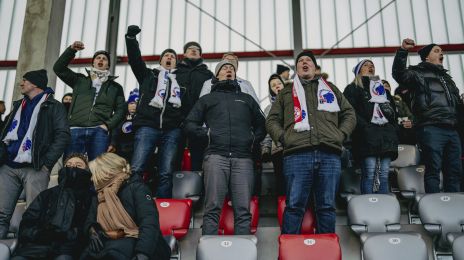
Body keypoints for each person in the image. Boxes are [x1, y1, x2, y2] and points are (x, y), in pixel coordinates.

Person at [266, 51, 356, 234]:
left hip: (329, 153)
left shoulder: (330, 88)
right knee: (294, 206)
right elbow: (271, 120)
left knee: (326, 207)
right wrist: (284, 138)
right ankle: (289, 254)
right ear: (296, 69)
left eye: (308, 60)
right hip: (296, 154)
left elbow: (349, 114)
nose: (304, 62)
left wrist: (341, 134)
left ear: (315, 68)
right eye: (300, 61)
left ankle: (327, 253)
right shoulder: (285, 92)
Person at [184, 60, 266, 235]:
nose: (229, 70)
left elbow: (262, 125)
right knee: (212, 207)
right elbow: (189, 124)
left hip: (243, 158)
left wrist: (252, 139)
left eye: (232, 68)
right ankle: (208, 251)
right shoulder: (207, 99)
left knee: (243, 210)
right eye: (224, 68)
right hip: (215, 156)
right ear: (217, 75)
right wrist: (207, 134)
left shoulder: (247, 99)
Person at [0, 69, 70, 238]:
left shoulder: (54, 106)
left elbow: (63, 135)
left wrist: (46, 163)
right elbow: (4, 132)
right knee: (1, 214)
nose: (21, 83)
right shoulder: (18, 105)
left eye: (24, 80)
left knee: (35, 214)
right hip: (8, 166)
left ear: (35, 84)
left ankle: (26, 250)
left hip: (36, 167)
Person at [392, 39, 463, 193]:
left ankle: (455, 210)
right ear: (426, 57)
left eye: (441, 51)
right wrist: (403, 51)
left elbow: (457, 105)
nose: (441, 53)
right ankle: (435, 206)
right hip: (431, 127)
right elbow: (399, 74)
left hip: (452, 128)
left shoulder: (448, 80)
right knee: (433, 170)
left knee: (455, 172)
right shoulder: (418, 73)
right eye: (436, 51)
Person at [125, 25, 184, 198]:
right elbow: (135, 60)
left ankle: (161, 208)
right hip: (147, 126)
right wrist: (130, 39)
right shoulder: (148, 75)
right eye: (166, 55)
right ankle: (133, 203)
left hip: (172, 130)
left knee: (166, 172)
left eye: (172, 56)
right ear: (160, 61)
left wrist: (180, 122)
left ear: (176, 62)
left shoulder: (181, 81)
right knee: (137, 168)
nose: (169, 58)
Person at [81, 153, 170, 260]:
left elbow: (149, 223)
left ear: (106, 172)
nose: (92, 179)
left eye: (95, 173)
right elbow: (89, 221)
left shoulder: (137, 188)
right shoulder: (99, 195)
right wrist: (92, 232)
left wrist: (143, 253)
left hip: (142, 245)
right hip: (111, 242)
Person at [53, 41, 126, 161]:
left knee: (96, 170)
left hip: (99, 131)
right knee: (71, 167)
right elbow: (58, 68)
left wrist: (107, 125)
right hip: (75, 129)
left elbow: (121, 109)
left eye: (104, 59)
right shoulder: (79, 80)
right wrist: (71, 50)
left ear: (108, 65)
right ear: (93, 63)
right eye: (98, 58)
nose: (101, 60)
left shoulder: (115, 87)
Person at [12, 154, 93, 260]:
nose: (73, 167)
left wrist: (66, 235)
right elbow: (27, 223)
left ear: (87, 171)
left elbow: (87, 227)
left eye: (78, 165)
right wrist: (39, 234)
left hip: (67, 249)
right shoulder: (46, 195)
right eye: (68, 165)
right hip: (35, 248)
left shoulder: (90, 197)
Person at [343, 60, 398, 194]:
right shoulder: (352, 88)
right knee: (369, 171)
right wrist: (365, 127)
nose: (371, 67)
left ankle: (384, 207)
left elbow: (393, 113)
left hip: (386, 136)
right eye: (366, 65)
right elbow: (350, 111)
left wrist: (392, 128)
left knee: (384, 174)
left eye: (372, 65)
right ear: (358, 71)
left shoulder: (382, 91)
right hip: (366, 136)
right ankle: (368, 206)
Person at [175, 41, 213, 171]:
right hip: (176, 120)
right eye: (190, 49)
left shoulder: (208, 74)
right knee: (174, 156)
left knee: (198, 157)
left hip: (199, 121)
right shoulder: (175, 72)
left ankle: (198, 187)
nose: (194, 50)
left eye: (197, 49)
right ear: (184, 53)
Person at [261, 74, 285, 195]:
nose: (277, 87)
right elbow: (267, 131)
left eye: (279, 83)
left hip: (296, 148)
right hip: (278, 150)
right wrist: (266, 149)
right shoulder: (269, 109)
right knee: (282, 183)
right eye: (273, 86)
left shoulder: (296, 103)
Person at [109, 88, 139, 162]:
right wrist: (113, 144)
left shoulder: (142, 119)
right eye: (131, 103)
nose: (134, 106)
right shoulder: (120, 116)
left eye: (136, 104)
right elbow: (115, 131)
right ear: (127, 104)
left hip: (134, 151)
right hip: (119, 150)